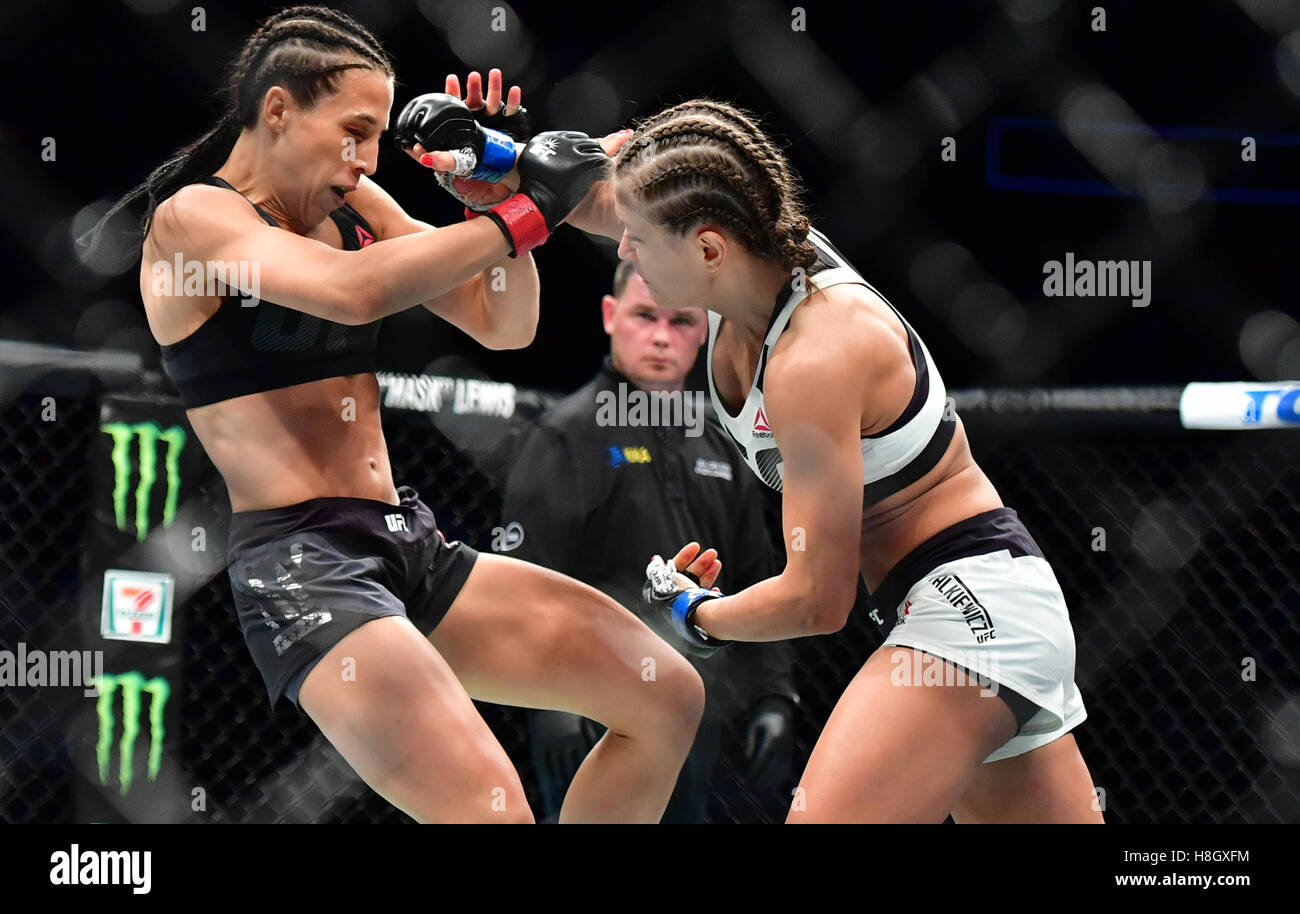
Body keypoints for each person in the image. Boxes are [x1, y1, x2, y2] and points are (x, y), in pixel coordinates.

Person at [82, 5, 705, 824]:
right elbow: (355, 289)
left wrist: (506, 195)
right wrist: (529, 214)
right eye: (354, 131)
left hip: (406, 543)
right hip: (304, 566)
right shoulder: (195, 219)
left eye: (378, 136)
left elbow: (502, 323)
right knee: (492, 812)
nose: (369, 159)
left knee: (665, 695)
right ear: (278, 110)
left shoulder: (358, 204)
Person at [566, 98, 1104, 823]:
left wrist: (697, 616)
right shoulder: (745, 256)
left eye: (636, 240)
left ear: (707, 249)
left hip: (971, 616)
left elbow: (817, 601)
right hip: (973, 612)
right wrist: (492, 164)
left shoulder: (814, 358)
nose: (623, 252)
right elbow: (614, 202)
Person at [501, 260, 798, 822]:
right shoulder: (567, 436)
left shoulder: (722, 443)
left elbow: (761, 576)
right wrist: (550, 708)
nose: (662, 336)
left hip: (701, 704)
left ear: (705, 332)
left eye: (681, 321)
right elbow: (523, 588)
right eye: (644, 315)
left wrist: (776, 695)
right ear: (611, 317)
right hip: (595, 703)